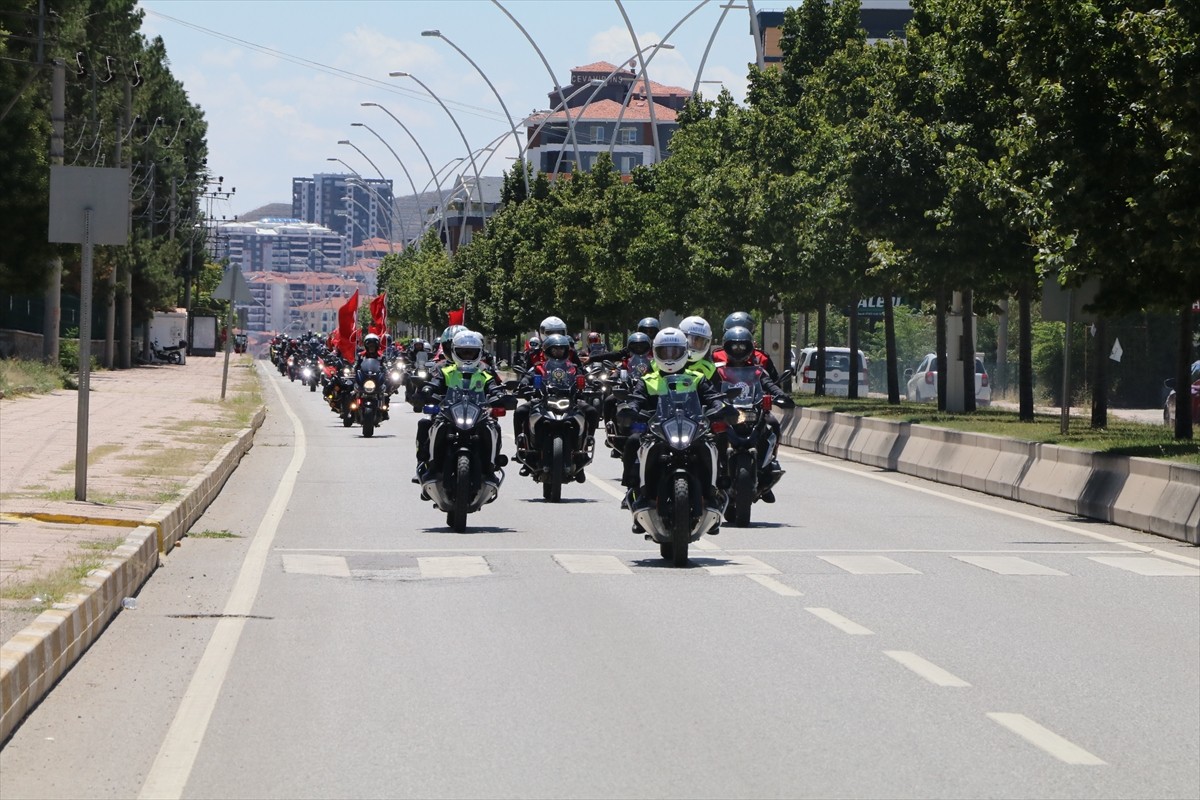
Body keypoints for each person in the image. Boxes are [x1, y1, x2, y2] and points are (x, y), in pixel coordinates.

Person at [617, 327, 733, 533]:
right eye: (664, 352)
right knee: (633, 440)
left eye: (674, 352)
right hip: (658, 431)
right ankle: (635, 491)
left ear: (684, 352)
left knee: (711, 445)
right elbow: (636, 399)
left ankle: (714, 493)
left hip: (691, 429)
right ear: (656, 353)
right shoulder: (648, 380)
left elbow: (713, 397)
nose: (669, 357)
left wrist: (720, 407)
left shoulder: (696, 377)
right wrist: (631, 409)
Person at [414, 329, 508, 487]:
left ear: (479, 353)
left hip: (477, 413)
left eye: (471, 353)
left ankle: (491, 467)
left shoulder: (484, 373)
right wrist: (427, 390)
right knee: (431, 424)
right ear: (454, 352)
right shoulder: (446, 371)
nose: (467, 356)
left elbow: (494, 387)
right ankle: (430, 466)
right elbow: (435, 383)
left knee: (493, 428)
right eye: (463, 353)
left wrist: (500, 395)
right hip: (449, 412)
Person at [714, 325, 795, 501]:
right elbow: (708, 389)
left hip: (752, 409)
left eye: (742, 346)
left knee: (772, 424)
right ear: (726, 347)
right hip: (728, 412)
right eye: (734, 346)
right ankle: (715, 468)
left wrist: (781, 396)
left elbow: (770, 385)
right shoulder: (718, 370)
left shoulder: (758, 370)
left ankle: (768, 465)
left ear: (749, 348)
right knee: (711, 430)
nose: (738, 350)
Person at [712, 310, 780, 380]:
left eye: (742, 344)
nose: (738, 348)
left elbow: (774, 382)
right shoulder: (716, 356)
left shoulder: (762, 358)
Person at [678, 315, 717, 383]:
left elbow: (717, 392)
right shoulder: (660, 364)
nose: (694, 344)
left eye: (700, 341)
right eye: (690, 341)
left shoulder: (709, 369)